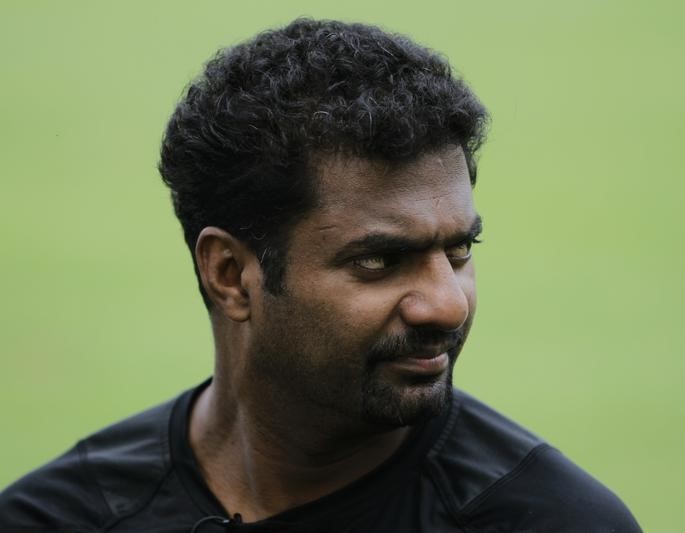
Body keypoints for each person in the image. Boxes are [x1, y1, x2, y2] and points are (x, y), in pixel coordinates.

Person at [0, 19, 641, 532]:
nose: (446, 305)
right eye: (379, 261)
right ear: (230, 274)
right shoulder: (58, 518)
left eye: (459, 251)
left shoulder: (552, 520)